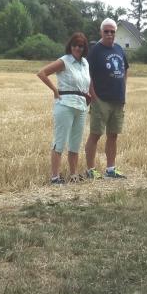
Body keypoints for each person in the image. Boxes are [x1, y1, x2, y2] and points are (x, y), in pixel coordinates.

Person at [36, 33, 91, 184]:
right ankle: (55, 177)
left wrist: (88, 95)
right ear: (70, 46)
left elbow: (86, 83)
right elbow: (42, 73)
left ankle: (73, 175)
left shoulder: (85, 63)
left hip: (81, 106)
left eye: (81, 46)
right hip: (65, 104)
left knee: (75, 143)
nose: (77, 48)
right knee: (60, 141)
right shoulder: (64, 61)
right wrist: (55, 90)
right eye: (75, 45)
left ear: (84, 48)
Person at [84, 18, 129, 179]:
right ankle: (90, 170)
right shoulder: (95, 51)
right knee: (95, 134)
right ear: (101, 32)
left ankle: (110, 169)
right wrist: (93, 95)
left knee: (113, 135)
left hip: (118, 100)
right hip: (101, 99)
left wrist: (123, 89)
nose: (109, 34)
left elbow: (125, 69)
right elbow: (87, 74)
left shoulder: (119, 49)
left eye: (112, 31)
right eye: (106, 31)